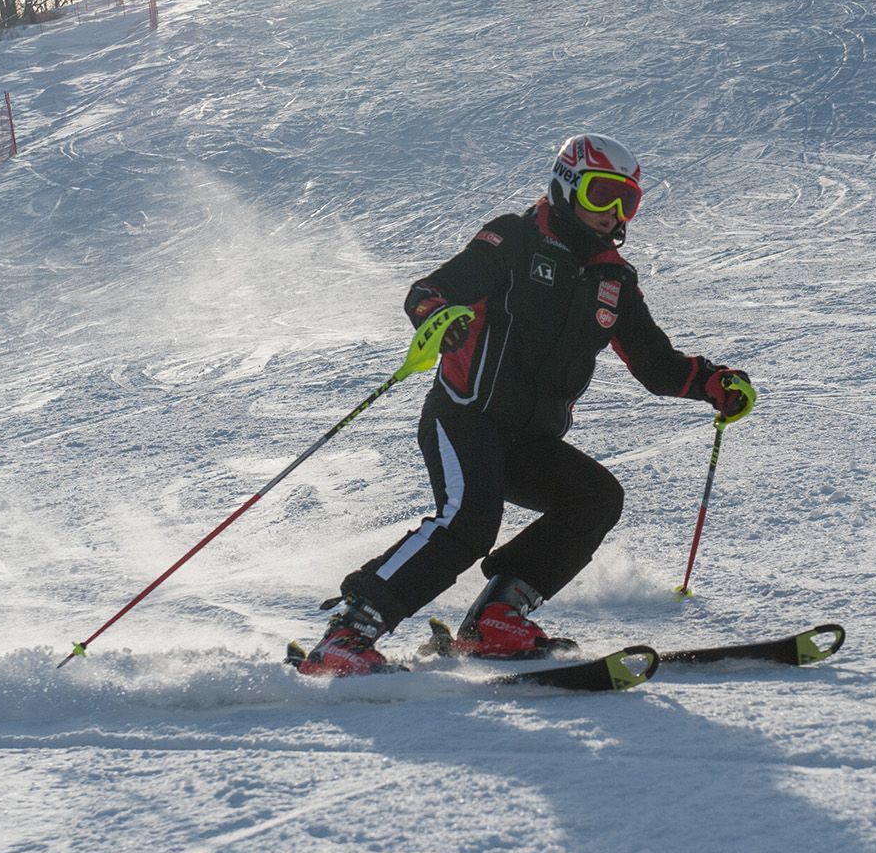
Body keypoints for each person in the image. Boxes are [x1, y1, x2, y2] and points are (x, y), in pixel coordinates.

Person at [295, 134, 757, 676]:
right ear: (566, 186)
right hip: (464, 416)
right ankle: (352, 629)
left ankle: (496, 618)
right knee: (470, 520)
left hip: (531, 439)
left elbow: (656, 364)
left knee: (594, 498)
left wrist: (710, 383)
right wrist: (437, 317)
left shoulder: (612, 280)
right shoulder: (512, 240)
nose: (611, 214)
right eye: (601, 195)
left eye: (625, 202)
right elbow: (431, 291)